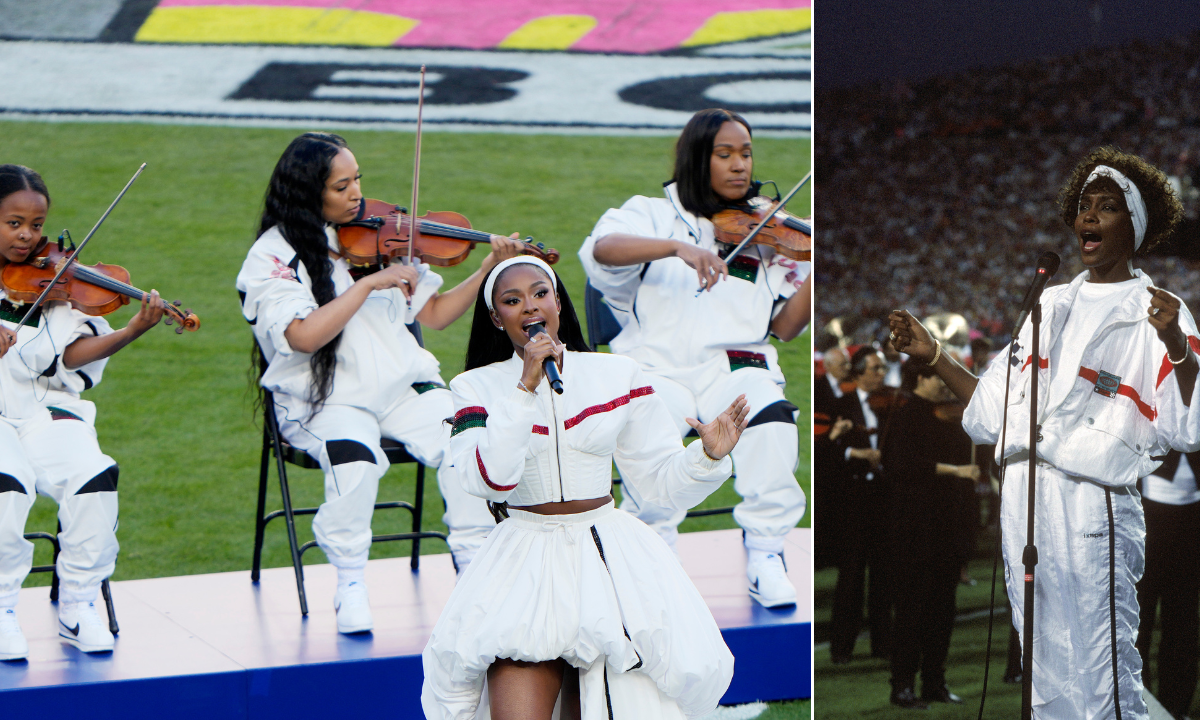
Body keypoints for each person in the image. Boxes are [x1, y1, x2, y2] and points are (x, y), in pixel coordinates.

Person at [889, 146, 1198, 719]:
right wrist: (932, 353)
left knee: (1103, 667)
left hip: (1093, 501)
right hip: (1024, 496)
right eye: (1085, 206)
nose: (1089, 217)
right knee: (1045, 665)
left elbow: (1188, 423)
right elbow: (993, 405)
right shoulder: (1048, 303)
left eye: (1107, 208)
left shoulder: (1156, 308)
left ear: (1137, 226)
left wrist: (1177, 345)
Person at [421, 256, 747, 719]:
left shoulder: (617, 374)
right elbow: (489, 479)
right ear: (496, 318)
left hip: (608, 563)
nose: (529, 307)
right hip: (524, 566)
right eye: (512, 301)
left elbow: (657, 483)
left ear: (557, 301)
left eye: (540, 293)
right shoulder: (473, 387)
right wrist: (524, 388)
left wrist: (708, 455)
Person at [236, 132, 524, 634]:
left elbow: (433, 315)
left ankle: (475, 567)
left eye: (358, 181)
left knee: (469, 440)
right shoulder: (272, 257)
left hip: (400, 387)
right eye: (341, 186)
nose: (357, 196)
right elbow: (302, 337)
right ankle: (350, 581)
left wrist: (485, 270)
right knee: (357, 457)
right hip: (320, 397)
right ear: (309, 193)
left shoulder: (381, 238)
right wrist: (367, 284)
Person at [579, 107, 809, 608]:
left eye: (745, 153)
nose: (739, 166)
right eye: (724, 154)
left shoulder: (771, 229)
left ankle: (766, 551)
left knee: (770, 419)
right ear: (695, 159)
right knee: (650, 429)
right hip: (656, 367)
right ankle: (652, 550)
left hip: (735, 367)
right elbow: (603, 249)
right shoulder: (651, 212)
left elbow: (787, 328)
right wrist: (675, 249)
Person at [0, 164, 167, 659]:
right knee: (7, 483)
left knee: (94, 476)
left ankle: (77, 603)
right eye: (13, 223)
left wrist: (133, 329)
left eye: (36, 224)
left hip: (47, 410)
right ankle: (3, 606)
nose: (28, 237)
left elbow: (71, 356)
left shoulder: (61, 283)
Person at [881, 361, 978, 708]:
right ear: (921, 378)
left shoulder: (945, 415)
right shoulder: (906, 416)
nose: (945, 384)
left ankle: (934, 682)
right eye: (938, 376)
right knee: (911, 612)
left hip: (945, 532)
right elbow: (898, 464)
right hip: (915, 532)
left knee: (942, 612)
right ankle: (902, 686)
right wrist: (955, 470)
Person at [828, 346, 892, 663]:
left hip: (885, 498)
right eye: (876, 368)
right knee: (851, 576)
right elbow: (827, 450)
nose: (882, 374)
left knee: (884, 575)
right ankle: (842, 648)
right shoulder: (840, 405)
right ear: (860, 372)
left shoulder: (893, 406)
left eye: (882, 368)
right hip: (853, 499)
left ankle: (882, 645)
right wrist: (856, 454)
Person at [1136, 448, 1200, 720]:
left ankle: (1177, 706)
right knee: (1139, 618)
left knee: (1184, 618)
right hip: (1148, 511)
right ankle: (1139, 704)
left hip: (1193, 516)